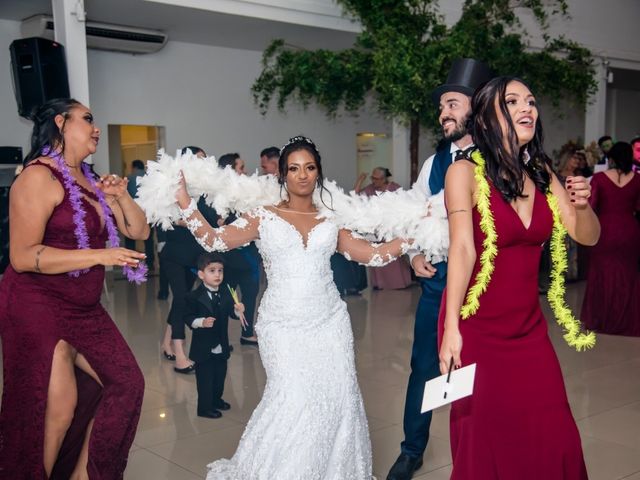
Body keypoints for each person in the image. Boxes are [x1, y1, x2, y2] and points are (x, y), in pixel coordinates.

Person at [176, 136, 409, 479]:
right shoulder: (262, 216)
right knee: (295, 399)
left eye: (310, 167)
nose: (302, 175)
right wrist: (183, 199)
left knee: (338, 401)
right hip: (282, 324)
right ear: (282, 175)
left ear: (318, 173)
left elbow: (372, 255)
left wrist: (416, 236)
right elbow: (215, 240)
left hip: (329, 322)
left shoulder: (330, 220)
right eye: (294, 168)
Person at [438, 76, 600, 479]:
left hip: (528, 328)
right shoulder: (463, 173)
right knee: (486, 437)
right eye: (513, 101)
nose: (527, 108)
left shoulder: (542, 172)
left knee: (555, 432)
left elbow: (587, 235)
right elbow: (462, 248)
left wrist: (582, 206)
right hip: (476, 325)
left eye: (531, 100)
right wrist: (452, 328)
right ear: (488, 117)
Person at [0, 98, 148, 478]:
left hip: (84, 308)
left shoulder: (91, 180)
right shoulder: (38, 177)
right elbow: (22, 256)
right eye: (88, 119)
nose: (96, 127)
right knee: (58, 408)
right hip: (37, 303)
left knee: (127, 383)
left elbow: (138, 232)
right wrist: (98, 256)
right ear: (61, 123)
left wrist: (121, 197)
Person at [387, 58, 492, 480]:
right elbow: (415, 215)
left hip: (487, 285)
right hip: (438, 285)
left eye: (451, 103)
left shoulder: (503, 160)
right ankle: (412, 450)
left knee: (484, 373)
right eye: (442, 106)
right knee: (425, 368)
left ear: (478, 108)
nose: (443, 112)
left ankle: (479, 453)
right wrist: (412, 256)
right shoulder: (434, 164)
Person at [160, 145, 219, 373]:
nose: (203, 163)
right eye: (198, 159)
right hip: (175, 254)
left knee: (180, 300)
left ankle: (166, 343)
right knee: (182, 300)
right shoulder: (173, 185)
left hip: (195, 255)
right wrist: (198, 221)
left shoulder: (204, 188)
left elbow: (212, 217)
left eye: (205, 159)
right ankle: (180, 355)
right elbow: (169, 218)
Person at [581, 141, 640, 335]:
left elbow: (592, 204)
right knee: (628, 275)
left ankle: (602, 319)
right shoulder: (638, 179)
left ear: (611, 158)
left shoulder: (599, 178)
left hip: (604, 230)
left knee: (602, 273)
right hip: (629, 230)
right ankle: (626, 319)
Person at [184, 253, 244, 418]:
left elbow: (231, 313)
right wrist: (201, 322)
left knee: (220, 377)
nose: (217, 275)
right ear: (201, 274)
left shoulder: (226, 293)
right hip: (203, 348)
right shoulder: (193, 296)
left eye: (220, 271)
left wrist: (237, 311)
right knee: (205, 380)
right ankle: (204, 408)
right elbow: (187, 317)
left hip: (221, 345)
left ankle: (216, 400)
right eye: (212, 271)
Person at [216, 152, 260, 345]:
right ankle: (220, 339)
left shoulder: (249, 192)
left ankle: (247, 332)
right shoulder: (218, 195)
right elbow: (219, 224)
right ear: (230, 171)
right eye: (241, 168)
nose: (245, 171)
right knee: (224, 299)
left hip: (249, 254)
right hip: (229, 257)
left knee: (251, 295)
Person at [354, 167, 412, 290]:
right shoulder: (370, 189)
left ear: (384, 178)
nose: (374, 181)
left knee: (393, 256)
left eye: (377, 178)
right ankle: (379, 284)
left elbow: (405, 205)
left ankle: (399, 284)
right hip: (375, 228)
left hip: (392, 228)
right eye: (372, 178)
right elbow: (355, 196)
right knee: (377, 254)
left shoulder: (394, 188)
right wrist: (360, 180)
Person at [125, 159, 155, 269]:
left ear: (134, 167)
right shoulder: (151, 178)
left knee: (130, 238)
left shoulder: (129, 178)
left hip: (132, 212)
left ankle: (132, 263)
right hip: (149, 211)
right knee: (148, 239)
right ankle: (150, 263)